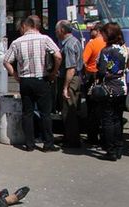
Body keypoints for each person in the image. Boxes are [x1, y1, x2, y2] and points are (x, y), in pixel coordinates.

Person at [4, 16, 62, 152]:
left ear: (24, 26)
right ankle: (48, 144)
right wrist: (54, 72)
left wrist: (16, 76)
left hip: (25, 81)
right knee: (45, 114)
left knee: (27, 113)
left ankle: (29, 144)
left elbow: (6, 61)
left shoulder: (16, 42)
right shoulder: (45, 39)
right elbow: (58, 56)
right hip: (41, 80)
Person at [96, 22, 129, 161]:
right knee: (118, 118)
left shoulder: (106, 51)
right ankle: (119, 148)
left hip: (108, 89)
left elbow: (101, 71)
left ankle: (110, 150)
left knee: (107, 120)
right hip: (122, 88)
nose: (102, 35)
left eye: (104, 33)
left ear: (109, 34)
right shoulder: (125, 49)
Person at [56, 20, 84, 148]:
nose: (56, 32)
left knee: (69, 111)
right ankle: (70, 137)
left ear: (62, 30)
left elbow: (71, 68)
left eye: (57, 30)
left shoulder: (68, 46)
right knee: (71, 108)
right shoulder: (76, 41)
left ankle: (72, 140)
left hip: (71, 79)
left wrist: (65, 87)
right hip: (77, 78)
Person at [83, 23, 106, 145]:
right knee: (104, 110)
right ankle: (105, 137)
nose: (90, 31)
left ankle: (92, 137)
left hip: (93, 77)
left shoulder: (92, 43)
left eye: (92, 29)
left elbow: (83, 61)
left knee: (92, 109)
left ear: (97, 31)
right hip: (107, 79)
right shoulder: (109, 43)